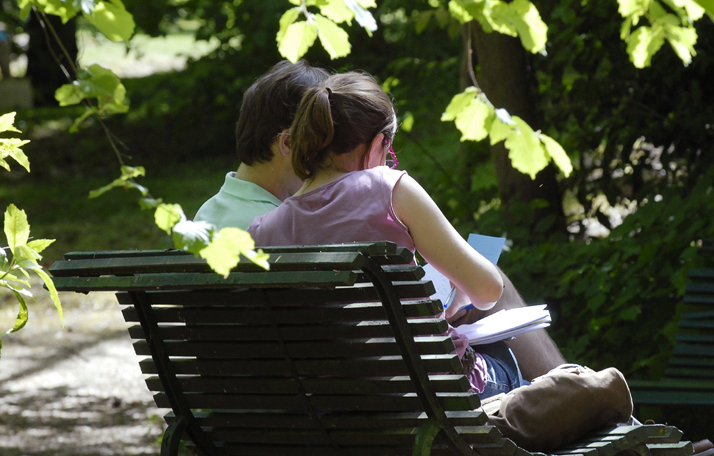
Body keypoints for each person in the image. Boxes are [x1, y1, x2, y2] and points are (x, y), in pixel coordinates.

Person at [195, 60, 565, 381]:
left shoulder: (251, 228)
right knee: (499, 318)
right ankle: (583, 397)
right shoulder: (383, 189)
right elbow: (486, 290)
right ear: (290, 142)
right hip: (406, 389)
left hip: (320, 400)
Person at [194, 59, 329, 229]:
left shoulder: (208, 211)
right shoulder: (275, 228)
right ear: (289, 143)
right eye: (324, 147)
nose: (328, 163)